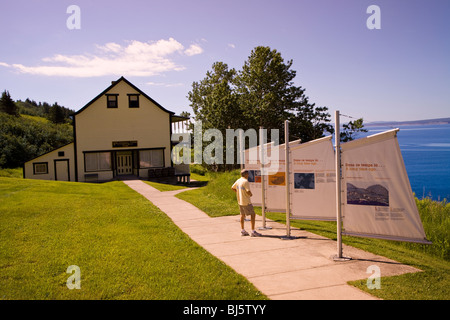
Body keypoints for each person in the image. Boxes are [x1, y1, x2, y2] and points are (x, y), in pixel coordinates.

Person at [231, 169, 261, 237]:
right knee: (253, 215)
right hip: (246, 201)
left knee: (242, 215)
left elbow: (232, 188)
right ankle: (253, 231)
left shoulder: (238, 180)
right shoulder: (245, 181)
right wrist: (250, 194)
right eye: (248, 174)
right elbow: (248, 191)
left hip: (240, 201)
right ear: (246, 174)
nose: (248, 175)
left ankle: (242, 230)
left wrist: (239, 192)